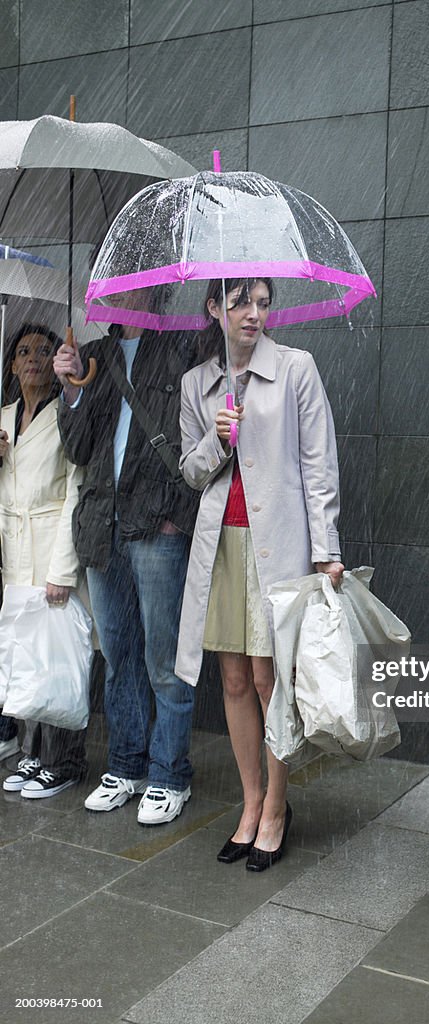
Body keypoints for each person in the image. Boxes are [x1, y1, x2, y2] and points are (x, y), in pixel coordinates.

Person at [175, 277, 343, 871]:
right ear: (214, 308)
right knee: (235, 680)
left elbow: (320, 464)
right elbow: (191, 472)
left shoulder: (296, 369)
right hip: (222, 545)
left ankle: (277, 805)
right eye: (241, 301)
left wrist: (328, 550)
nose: (254, 314)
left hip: (281, 545)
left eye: (264, 303)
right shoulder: (199, 383)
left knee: (271, 680)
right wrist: (217, 441)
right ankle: (249, 803)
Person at [52, 293, 199, 825]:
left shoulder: (183, 346)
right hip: (101, 524)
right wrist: (69, 389)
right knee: (119, 656)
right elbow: (79, 448)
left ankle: (168, 772)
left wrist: (173, 511)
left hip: (157, 520)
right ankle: (126, 764)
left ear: (154, 287)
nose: (122, 291)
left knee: (164, 659)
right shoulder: (92, 353)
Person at [0, 323, 87, 797]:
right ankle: (32, 754)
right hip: (15, 550)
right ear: (11, 364)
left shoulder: (65, 414)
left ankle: (65, 760)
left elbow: (76, 489)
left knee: (57, 657)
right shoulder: (3, 418)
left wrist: (63, 570)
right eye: (24, 351)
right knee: (25, 657)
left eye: (44, 350)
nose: (34, 357)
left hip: (51, 545)